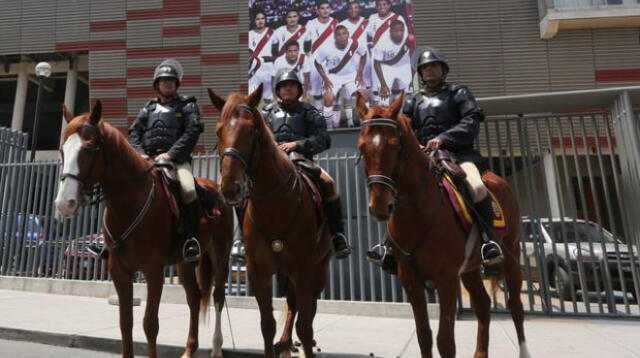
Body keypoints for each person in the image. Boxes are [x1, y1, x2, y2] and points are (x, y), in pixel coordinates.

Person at [367, 48, 504, 275]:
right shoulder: (414, 100)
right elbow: (405, 128)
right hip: (426, 158)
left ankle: (488, 243)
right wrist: (415, 145)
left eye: (433, 66)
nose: (429, 70)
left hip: (459, 156)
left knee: (477, 187)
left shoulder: (458, 93)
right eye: (425, 68)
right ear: (420, 73)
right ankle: (388, 246)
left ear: (443, 69)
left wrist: (442, 138)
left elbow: (471, 121)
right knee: (399, 190)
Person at [93, 59, 204, 263]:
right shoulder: (148, 109)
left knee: (188, 189)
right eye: (163, 81)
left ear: (177, 84)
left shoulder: (188, 105)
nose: (167, 84)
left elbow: (192, 132)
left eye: (171, 81)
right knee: (119, 188)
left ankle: (191, 240)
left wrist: (170, 154)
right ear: (157, 84)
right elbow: (134, 133)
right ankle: (106, 238)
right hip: (147, 160)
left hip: (175, 162)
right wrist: (140, 153)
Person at [262, 70, 352, 259]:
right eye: (284, 86)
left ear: (299, 89)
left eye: (292, 85)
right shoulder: (266, 113)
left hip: (302, 161)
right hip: (272, 164)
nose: (288, 88)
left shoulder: (309, 111)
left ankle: (338, 236)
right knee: (246, 186)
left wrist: (297, 144)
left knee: (329, 184)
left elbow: (323, 139)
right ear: (278, 90)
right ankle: (241, 241)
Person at [314, 25, 367, 129]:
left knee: (363, 95)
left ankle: (364, 124)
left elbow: (364, 55)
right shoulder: (327, 48)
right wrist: (325, 79)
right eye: (338, 34)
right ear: (334, 37)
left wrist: (359, 73)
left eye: (344, 34)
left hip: (351, 75)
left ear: (348, 35)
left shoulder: (354, 44)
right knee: (328, 99)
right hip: (333, 76)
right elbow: (317, 63)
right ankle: (328, 127)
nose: (342, 37)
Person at [366, 0, 407, 105]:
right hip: (378, 58)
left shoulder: (398, 18)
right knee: (380, 88)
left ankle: (396, 114)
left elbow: (404, 37)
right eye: (379, 5)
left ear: (389, 5)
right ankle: (382, 113)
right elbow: (369, 34)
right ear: (376, 7)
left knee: (398, 89)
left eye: (384, 4)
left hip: (395, 58)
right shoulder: (372, 18)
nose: (382, 7)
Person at [304, 0, 339, 109]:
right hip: (315, 62)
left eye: (327, 8)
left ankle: (334, 122)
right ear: (317, 10)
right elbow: (304, 41)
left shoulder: (336, 23)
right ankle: (319, 119)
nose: (325, 10)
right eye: (322, 8)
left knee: (333, 91)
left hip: (331, 62)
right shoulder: (311, 24)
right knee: (317, 93)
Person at [372, 20, 414, 105]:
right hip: (387, 68)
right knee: (384, 97)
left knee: (407, 95)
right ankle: (384, 116)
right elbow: (376, 63)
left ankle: (399, 114)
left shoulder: (409, 39)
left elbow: (415, 57)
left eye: (401, 30)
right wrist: (383, 84)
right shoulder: (381, 43)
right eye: (396, 31)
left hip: (404, 67)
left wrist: (413, 77)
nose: (399, 33)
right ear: (390, 31)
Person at [249, 11, 275, 104]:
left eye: (262, 18)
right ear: (254, 21)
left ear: (265, 20)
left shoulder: (272, 33)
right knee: (251, 97)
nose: (260, 21)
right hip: (254, 68)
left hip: (268, 67)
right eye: (258, 19)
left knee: (268, 99)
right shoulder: (249, 34)